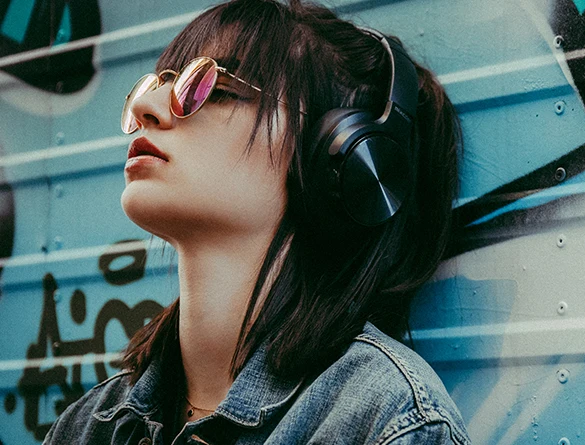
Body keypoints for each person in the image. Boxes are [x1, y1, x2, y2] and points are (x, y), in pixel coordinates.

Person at [42, 0, 468, 443]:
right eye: (159, 84)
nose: (147, 106)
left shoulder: (385, 421)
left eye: (215, 89)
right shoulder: (86, 426)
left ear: (341, 158)